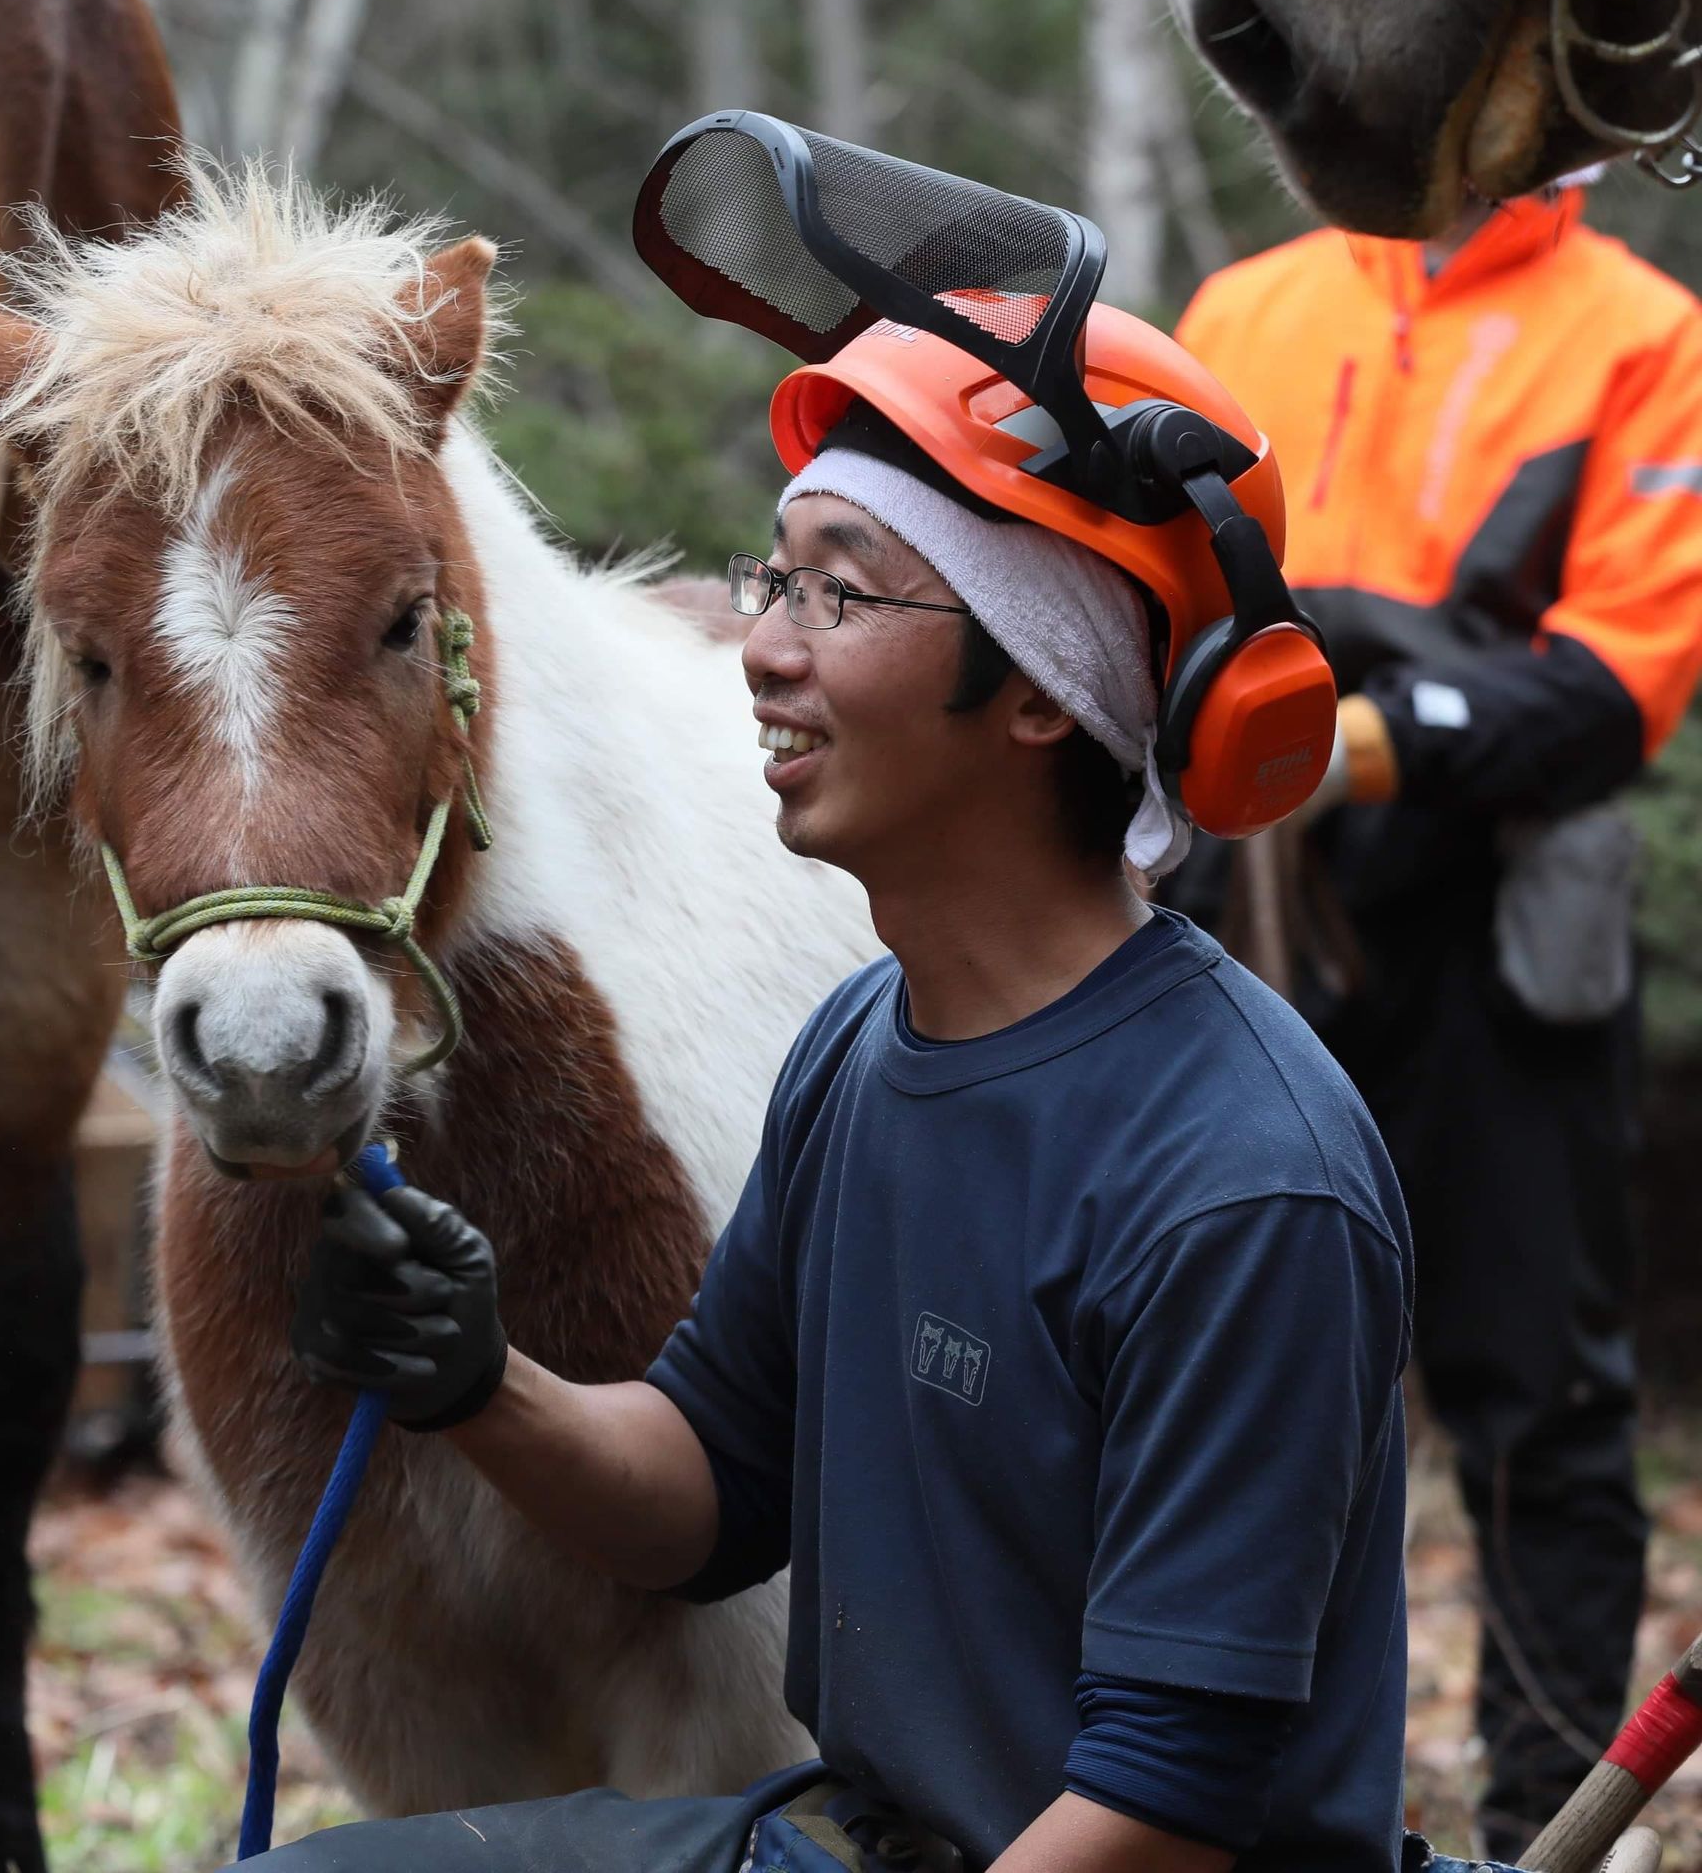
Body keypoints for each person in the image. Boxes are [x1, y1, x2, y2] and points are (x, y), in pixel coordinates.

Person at [261, 298, 1413, 1873]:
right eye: (773, 579)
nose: (765, 649)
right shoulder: (865, 1053)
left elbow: (1169, 1804)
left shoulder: (1241, 1180)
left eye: (841, 596)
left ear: (1036, 693)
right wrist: (479, 1383)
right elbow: (701, 1503)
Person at [1173, 179, 1702, 1855]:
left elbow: (1623, 672)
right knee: (1211, 1368)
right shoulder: (1246, 313)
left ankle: (1541, 1823)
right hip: (1249, 913)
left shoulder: (1644, 337)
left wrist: (1373, 738)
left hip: (1500, 918)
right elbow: (1162, 594)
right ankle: (1198, 1794)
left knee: (1540, 1394)